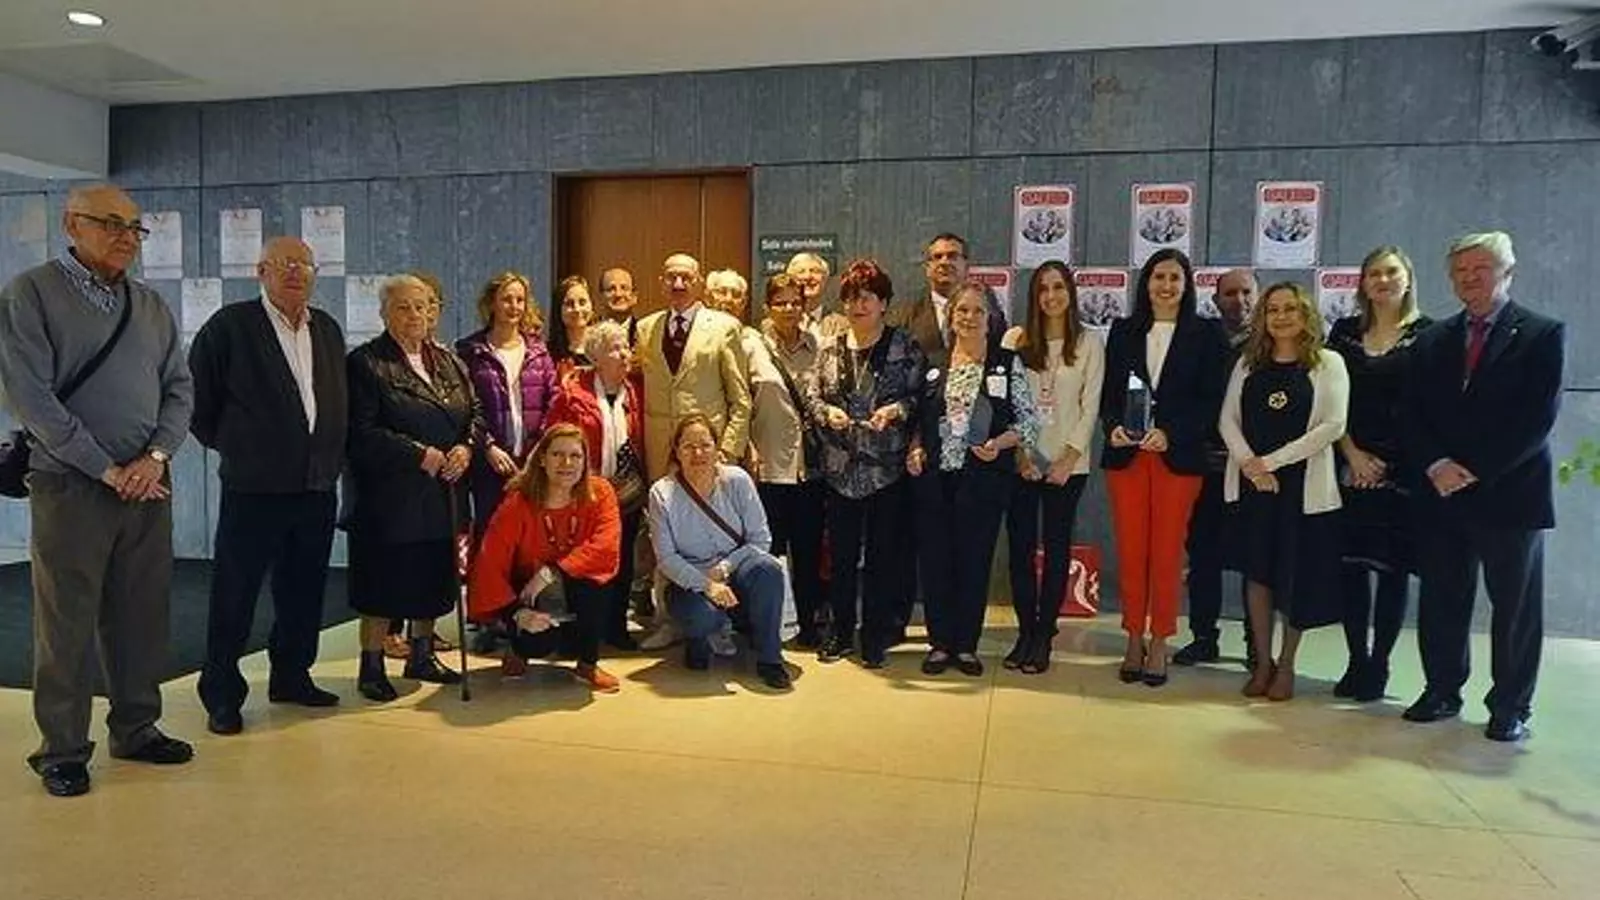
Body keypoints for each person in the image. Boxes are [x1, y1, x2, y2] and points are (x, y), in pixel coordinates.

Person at [0, 183, 195, 797]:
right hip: (70, 484)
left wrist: (155, 458)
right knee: (68, 621)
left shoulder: (150, 306)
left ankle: (137, 727)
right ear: (71, 225)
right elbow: (32, 398)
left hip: (146, 485)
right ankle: (61, 749)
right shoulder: (31, 294)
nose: (125, 237)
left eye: (134, 227)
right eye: (110, 223)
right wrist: (103, 468)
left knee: (141, 613)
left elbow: (179, 388)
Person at [1400, 232, 1564, 743]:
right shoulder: (1432, 339)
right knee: (1442, 599)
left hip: (1511, 493)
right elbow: (1411, 413)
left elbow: (1537, 419)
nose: (1469, 278)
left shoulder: (1541, 334)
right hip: (1441, 494)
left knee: (1515, 608)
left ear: (1507, 272)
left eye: (1481, 268)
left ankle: (1511, 705)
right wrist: (1436, 465)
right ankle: (1441, 690)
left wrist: (1472, 468)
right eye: (1460, 270)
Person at [188, 237, 347, 736]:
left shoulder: (326, 328)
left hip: (316, 486)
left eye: (304, 264)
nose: (296, 272)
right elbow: (198, 403)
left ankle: (292, 676)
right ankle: (221, 695)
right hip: (253, 489)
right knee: (235, 594)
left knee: (304, 591)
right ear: (261, 271)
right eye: (284, 264)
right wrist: (239, 447)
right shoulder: (230, 327)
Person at [345, 275, 481, 702]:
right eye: (403, 307)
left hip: (442, 492)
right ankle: (371, 666)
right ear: (384, 313)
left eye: (421, 306)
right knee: (382, 583)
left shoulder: (449, 360)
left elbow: (475, 412)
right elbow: (361, 432)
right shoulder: (366, 363)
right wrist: (417, 454)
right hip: (389, 497)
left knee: (433, 577)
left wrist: (466, 447)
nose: (414, 315)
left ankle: (422, 655)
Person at [1099, 249, 1229, 688]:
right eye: (1159, 277)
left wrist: (1173, 434)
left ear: (1187, 285)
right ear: (1147, 283)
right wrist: (1114, 427)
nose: (1166, 286)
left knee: (1168, 554)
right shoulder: (1124, 330)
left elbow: (1211, 401)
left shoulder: (1207, 334)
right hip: (1128, 459)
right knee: (1132, 551)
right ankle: (1133, 636)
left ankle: (1160, 640)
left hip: (1178, 459)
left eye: (1175, 278)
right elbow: (1110, 395)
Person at [1220, 283, 1349, 701]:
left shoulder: (1328, 363)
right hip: (1255, 486)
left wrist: (1270, 463)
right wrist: (1250, 465)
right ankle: (1262, 662)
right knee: (1257, 576)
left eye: (1290, 308)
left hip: (1301, 489)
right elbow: (1227, 420)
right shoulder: (1248, 363)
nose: (1281, 317)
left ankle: (1287, 664)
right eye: (1272, 310)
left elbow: (1333, 425)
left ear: (1305, 314)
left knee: (1296, 579)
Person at [909, 282, 1038, 676]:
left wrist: (999, 443)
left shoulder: (1005, 363)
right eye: (961, 310)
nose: (969, 317)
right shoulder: (933, 362)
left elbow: (1028, 423)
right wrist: (916, 448)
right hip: (935, 479)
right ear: (951, 317)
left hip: (983, 480)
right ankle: (939, 644)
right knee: (935, 562)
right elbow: (918, 418)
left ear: (991, 318)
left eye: (977, 311)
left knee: (974, 561)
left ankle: (965, 645)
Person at [804, 260, 924, 666]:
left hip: (887, 472)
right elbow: (812, 399)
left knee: (881, 558)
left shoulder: (904, 345)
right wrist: (827, 414)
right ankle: (840, 632)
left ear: (884, 303)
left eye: (867, 298)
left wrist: (895, 410)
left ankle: (875, 635)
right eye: (852, 299)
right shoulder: (829, 347)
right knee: (841, 559)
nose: (859, 306)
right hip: (840, 471)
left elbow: (918, 399)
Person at [1326, 246, 1431, 702]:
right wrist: (1352, 455)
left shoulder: (1430, 335)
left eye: (1391, 272)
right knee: (1351, 569)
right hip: (1350, 462)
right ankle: (1356, 660)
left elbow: (1430, 408)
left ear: (1407, 278)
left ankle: (1380, 663)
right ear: (1363, 283)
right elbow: (1329, 399)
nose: (1382, 280)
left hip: (1403, 471)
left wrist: (1388, 464)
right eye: (1373, 273)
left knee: (1393, 572)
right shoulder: (1345, 333)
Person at [1001, 261, 1104, 674]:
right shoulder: (1015, 339)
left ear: (1070, 293)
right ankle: (1025, 631)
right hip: (1022, 461)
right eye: (1043, 289)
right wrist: (1021, 455)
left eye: (1058, 287)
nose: (1051, 296)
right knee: (1020, 550)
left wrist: (1068, 458)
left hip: (1067, 466)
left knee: (1057, 549)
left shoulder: (1089, 342)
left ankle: (1045, 634)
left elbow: (1090, 407)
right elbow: (1006, 402)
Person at [467, 424, 624, 693]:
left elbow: (605, 546)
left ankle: (587, 664)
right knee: (537, 642)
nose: (567, 463)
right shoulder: (518, 503)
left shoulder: (601, 492)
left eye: (575, 456)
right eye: (557, 454)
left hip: (574, 579)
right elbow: (489, 562)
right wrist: (516, 613)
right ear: (542, 459)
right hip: (528, 588)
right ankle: (518, 648)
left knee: (597, 587)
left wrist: (552, 572)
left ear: (585, 461)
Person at [649, 414, 794, 691]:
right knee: (702, 616)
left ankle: (770, 659)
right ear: (676, 451)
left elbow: (760, 539)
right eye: (688, 446)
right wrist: (707, 584)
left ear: (717, 448)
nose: (698, 454)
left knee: (768, 569)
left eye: (705, 445)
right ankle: (699, 638)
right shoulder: (661, 493)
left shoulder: (737, 480)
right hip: (689, 580)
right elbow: (666, 559)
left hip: (736, 570)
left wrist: (725, 568)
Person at [545, 320, 648, 651]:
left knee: (623, 560)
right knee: (585, 560)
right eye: (615, 349)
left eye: (625, 347)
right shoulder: (573, 393)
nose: (624, 354)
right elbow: (553, 438)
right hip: (583, 493)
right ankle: (580, 631)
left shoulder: (636, 391)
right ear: (596, 357)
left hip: (626, 495)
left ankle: (616, 626)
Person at [1176, 267, 1257, 667]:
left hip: (1254, 468)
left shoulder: (1270, 342)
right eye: (1229, 293)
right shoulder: (1201, 340)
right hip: (1206, 465)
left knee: (1255, 560)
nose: (1238, 301)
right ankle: (1204, 636)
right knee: (1202, 555)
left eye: (1246, 292)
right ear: (1215, 299)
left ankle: (1256, 644)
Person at [752, 274, 828, 648]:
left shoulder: (820, 346)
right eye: (780, 302)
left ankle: (808, 624)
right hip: (767, 464)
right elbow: (740, 399)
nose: (788, 309)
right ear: (767, 307)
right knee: (771, 553)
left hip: (810, 467)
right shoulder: (751, 346)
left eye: (795, 302)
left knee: (809, 551)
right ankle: (770, 627)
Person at [455, 271, 559, 541]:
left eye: (520, 300)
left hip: (532, 462)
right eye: (507, 299)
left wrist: (539, 450)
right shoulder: (471, 351)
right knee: (493, 536)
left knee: (532, 537)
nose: (514, 306)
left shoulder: (539, 351)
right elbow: (465, 407)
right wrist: (488, 446)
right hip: (490, 463)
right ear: (492, 303)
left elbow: (553, 401)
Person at [635, 253, 752, 482]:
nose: (678, 284)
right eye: (671, 277)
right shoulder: (645, 328)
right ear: (661, 283)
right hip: (659, 454)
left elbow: (740, 400)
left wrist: (729, 450)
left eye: (686, 277)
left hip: (707, 450)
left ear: (700, 282)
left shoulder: (725, 328)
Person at [785, 252, 846, 339]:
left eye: (815, 271)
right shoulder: (775, 324)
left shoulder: (843, 325)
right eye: (801, 271)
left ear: (825, 279)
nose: (808, 277)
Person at [548, 274, 595, 382]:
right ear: (558, 310)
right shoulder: (548, 354)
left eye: (582, 302)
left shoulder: (604, 348)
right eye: (569, 304)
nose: (577, 309)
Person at [599, 267, 641, 346]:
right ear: (601, 297)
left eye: (624, 288)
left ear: (634, 296)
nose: (618, 294)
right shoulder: (590, 332)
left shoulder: (643, 333)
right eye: (611, 289)